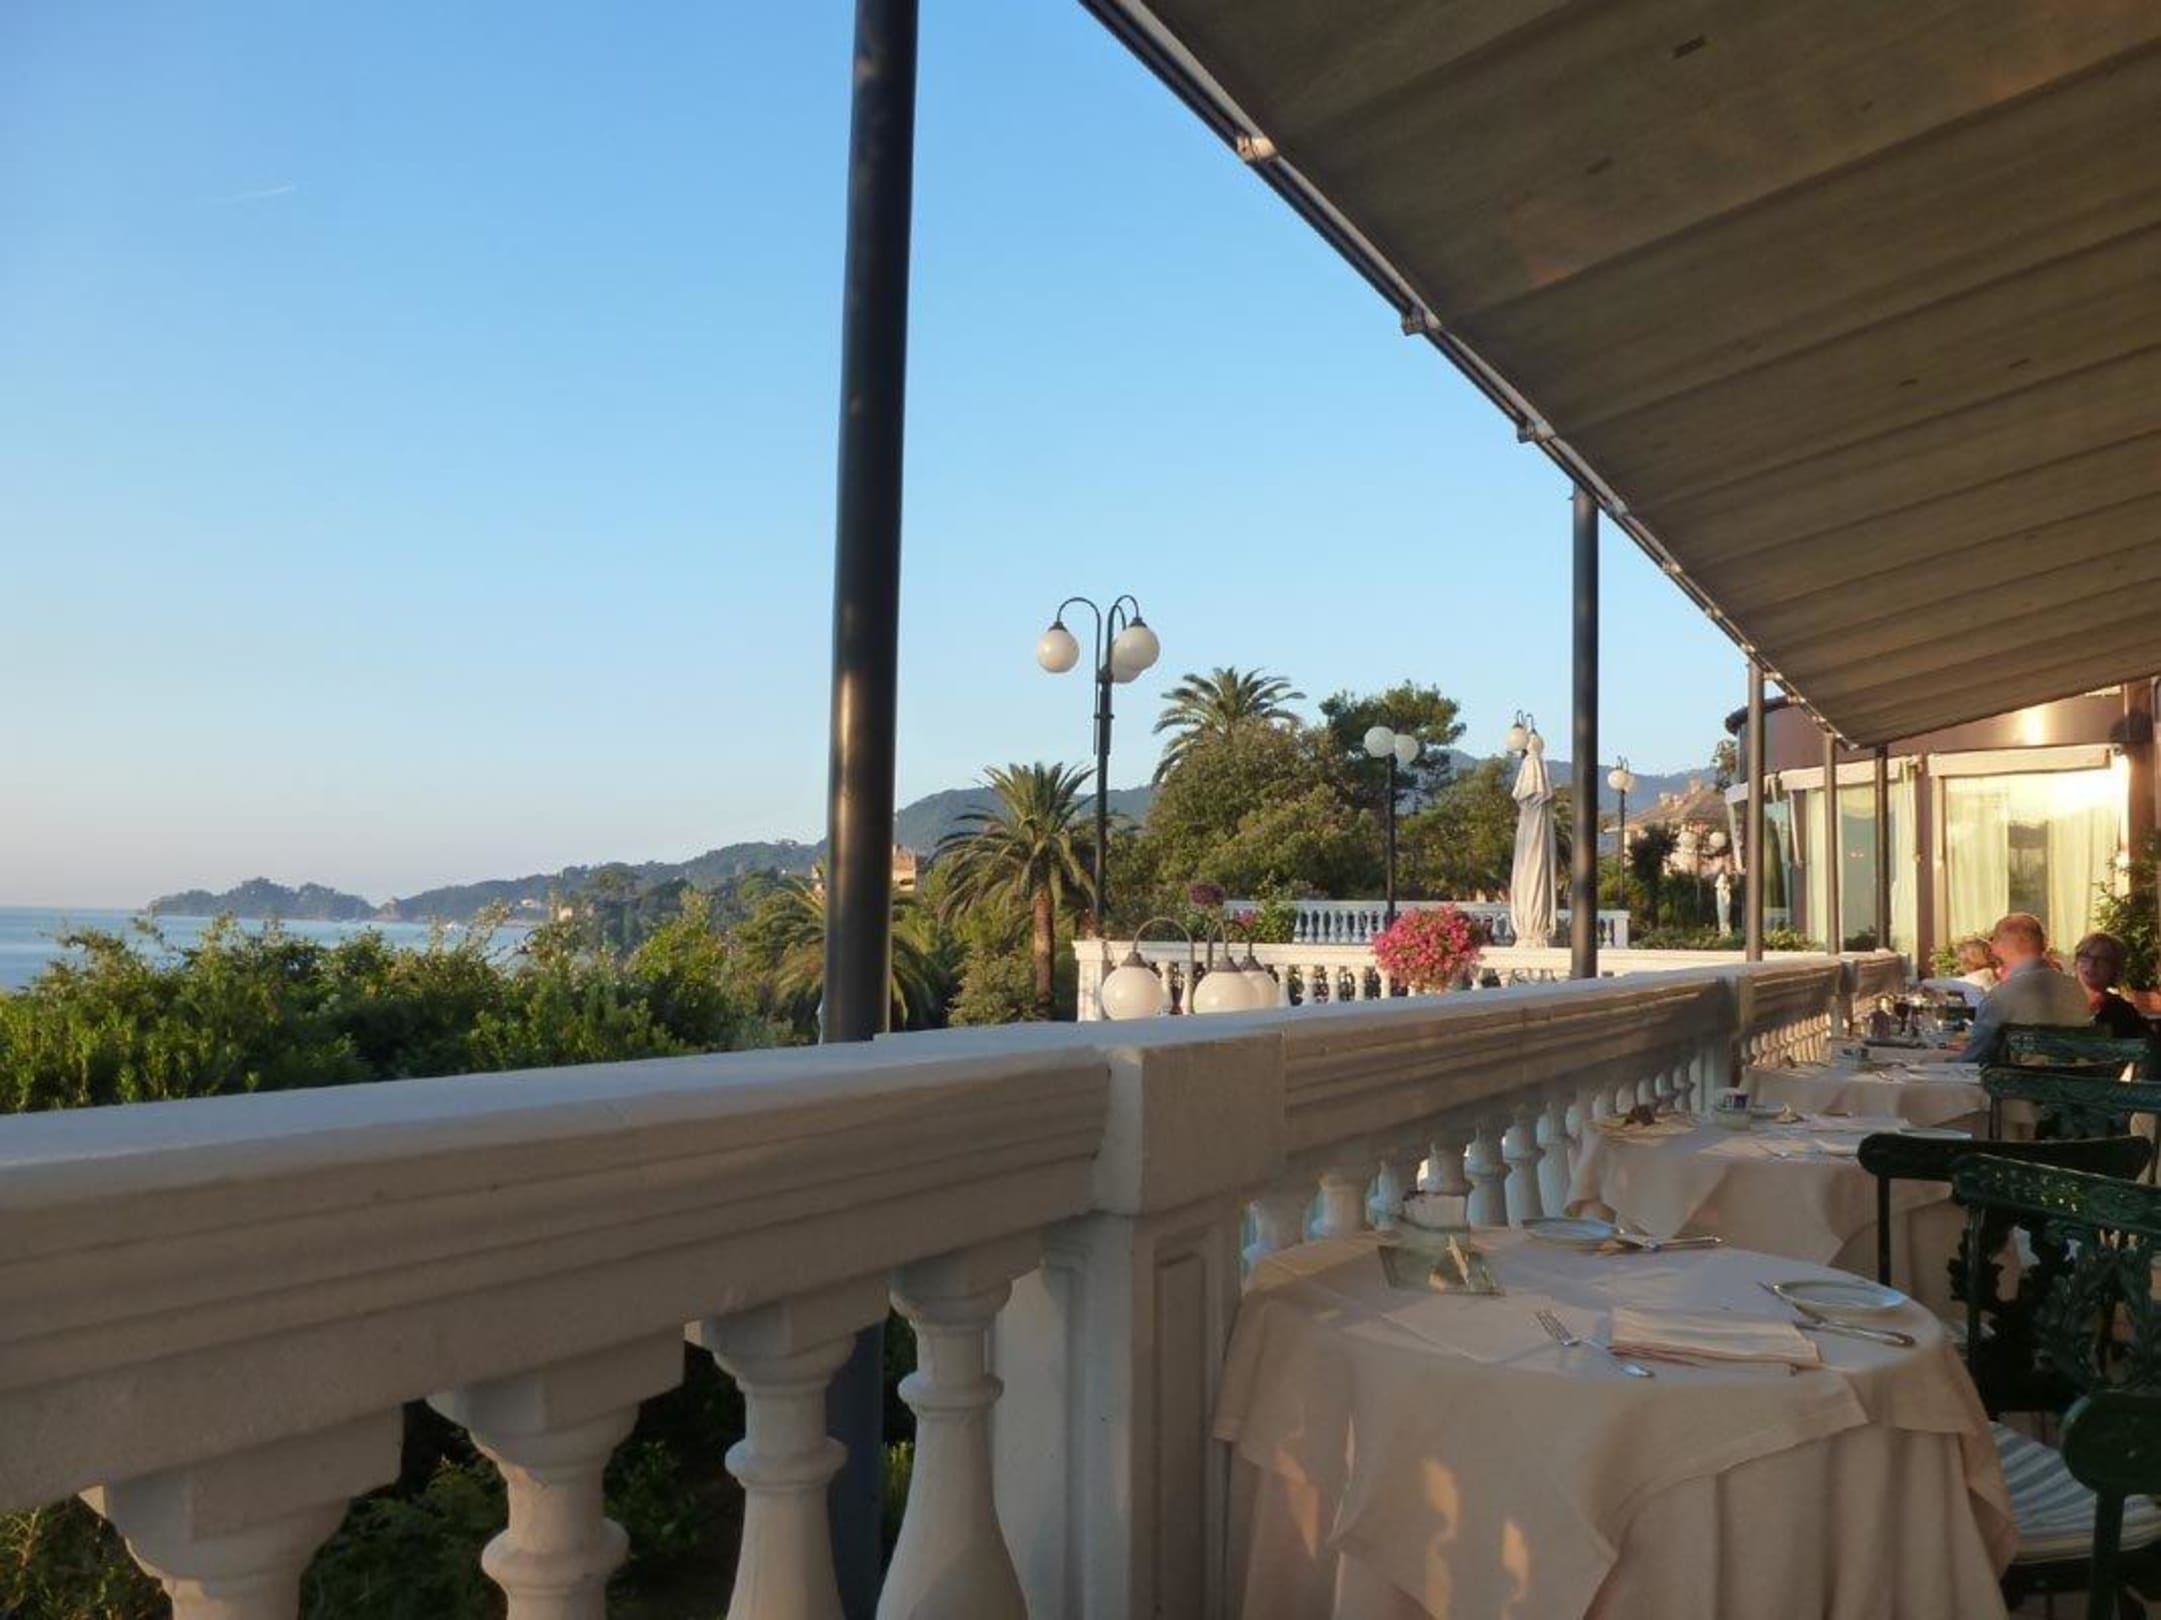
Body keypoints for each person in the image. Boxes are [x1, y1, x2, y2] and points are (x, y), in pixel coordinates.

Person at [1955, 912, 2093, 1065]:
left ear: (1998, 947)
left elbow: (1975, 1058)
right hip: (2076, 1077)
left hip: (2021, 1077)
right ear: (2043, 944)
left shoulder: (2002, 996)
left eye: (1993, 940)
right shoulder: (2075, 988)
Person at [2072, 930, 2150, 1040]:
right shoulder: (2056, 999)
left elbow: (2146, 1044)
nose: (2091, 964)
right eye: (2086, 956)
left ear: (2115, 969)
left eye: (2102, 959)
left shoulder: (2123, 1012)